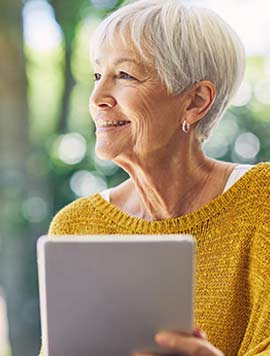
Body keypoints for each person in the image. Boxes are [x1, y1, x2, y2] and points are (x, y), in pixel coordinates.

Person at [41, 0, 270, 355]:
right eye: (98, 75)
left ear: (195, 101)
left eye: (125, 76)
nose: (97, 98)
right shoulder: (76, 226)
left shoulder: (262, 201)